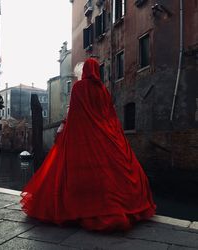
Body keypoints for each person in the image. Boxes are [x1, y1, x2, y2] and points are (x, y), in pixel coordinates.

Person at [20, 58, 156, 231]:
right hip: (105, 136)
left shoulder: (78, 88)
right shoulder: (103, 90)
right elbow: (110, 117)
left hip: (83, 138)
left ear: (84, 72)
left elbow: (74, 114)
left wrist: (63, 129)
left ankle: (79, 208)